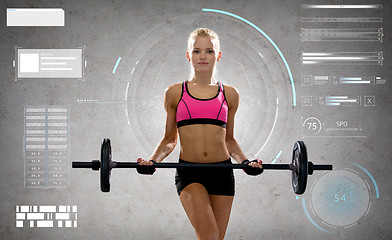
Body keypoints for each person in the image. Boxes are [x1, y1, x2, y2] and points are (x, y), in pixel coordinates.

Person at [137, 28, 263, 240]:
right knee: (209, 236)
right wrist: (152, 161)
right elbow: (169, 139)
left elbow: (229, 139)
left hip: (222, 173)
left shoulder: (230, 94)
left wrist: (245, 162)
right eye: (196, 51)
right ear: (188, 55)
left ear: (218, 55)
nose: (203, 56)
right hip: (189, 172)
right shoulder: (175, 93)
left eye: (209, 51)